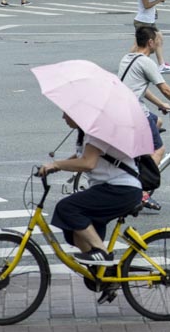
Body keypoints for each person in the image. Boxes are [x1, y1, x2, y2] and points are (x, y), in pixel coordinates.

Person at [36, 114, 146, 267]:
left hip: (120, 189)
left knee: (67, 208)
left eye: (66, 113)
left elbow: (88, 162)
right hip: (110, 189)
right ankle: (101, 273)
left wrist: (57, 165)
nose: (62, 117)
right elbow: (84, 155)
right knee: (74, 230)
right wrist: (55, 166)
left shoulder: (98, 131)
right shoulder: (88, 133)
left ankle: (102, 252)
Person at [118, 27, 170, 210]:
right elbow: (166, 89)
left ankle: (139, 157)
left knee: (158, 121)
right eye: (158, 41)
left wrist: (161, 104)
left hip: (122, 109)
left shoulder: (127, 58)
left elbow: (140, 87)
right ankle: (141, 192)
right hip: (134, 112)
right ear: (150, 42)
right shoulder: (147, 62)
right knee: (159, 149)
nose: (159, 44)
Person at [134, 0, 170, 73]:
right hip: (143, 21)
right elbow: (146, 5)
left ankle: (161, 65)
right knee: (138, 45)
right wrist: (159, 0)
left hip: (149, 21)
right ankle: (129, 62)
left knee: (158, 39)